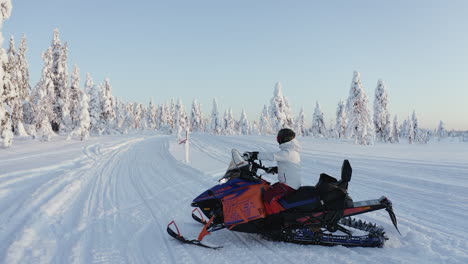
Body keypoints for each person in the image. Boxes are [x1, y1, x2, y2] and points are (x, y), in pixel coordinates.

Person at [243, 128, 302, 214]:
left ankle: (275, 219)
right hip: (290, 183)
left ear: (284, 139)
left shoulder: (288, 152)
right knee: (268, 188)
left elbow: (272, 156)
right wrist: (276, 169)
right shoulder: (292, 151)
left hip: (288, 186)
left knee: (268, 197)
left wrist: (254, 155)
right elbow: (290, 166)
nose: (278, 140)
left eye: (279, 138)